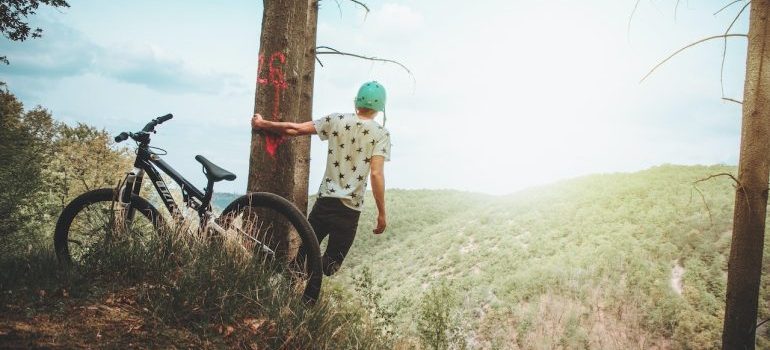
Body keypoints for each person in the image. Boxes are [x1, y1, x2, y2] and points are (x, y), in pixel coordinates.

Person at [250, 81, 391, 276]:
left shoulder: (336, 120)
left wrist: (262, 124)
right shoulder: (381, 134)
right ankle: (300, 293)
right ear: (380, 108)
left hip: (325, 202)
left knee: (302, 260)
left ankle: (286, 285)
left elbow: (295, 129)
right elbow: (376, 173)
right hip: (349, 211)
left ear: (356, 102)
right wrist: (381, 213)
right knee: (330, 267)